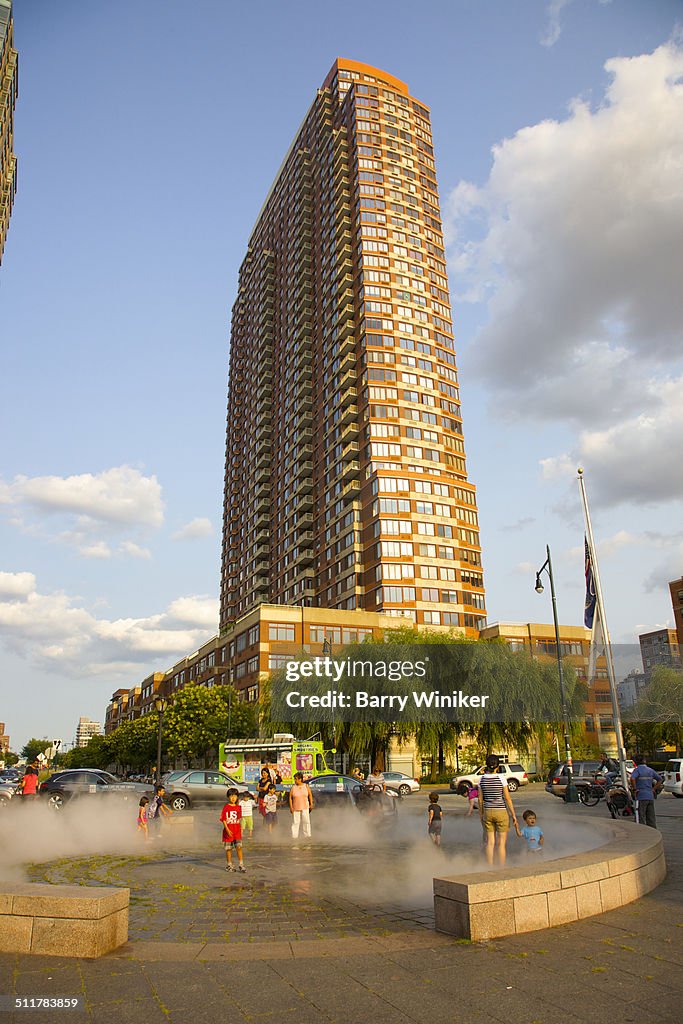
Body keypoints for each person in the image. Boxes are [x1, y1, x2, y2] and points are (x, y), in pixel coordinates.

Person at [478, 754, 521, 866]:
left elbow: (480, 799)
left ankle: (489, 866)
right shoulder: (501, 778)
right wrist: (513, 815)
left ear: (487, 766)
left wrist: (481, 814)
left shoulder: (481, 779)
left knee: (490, 842)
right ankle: (501, 867)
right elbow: (507, 798)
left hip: (487, 811)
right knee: (501, 843)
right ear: (498, 766)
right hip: (501, 811)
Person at [630, 754, 663, 828]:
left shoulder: (637, 770)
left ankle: (642, 833)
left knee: (640, 817)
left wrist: (635, 789)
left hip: (641, 796)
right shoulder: (650, 770)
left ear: (636, 762)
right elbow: (660, 779)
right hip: (650, 796)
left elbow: (632, 779)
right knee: (651, 817)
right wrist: (654, 788)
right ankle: (654, 832)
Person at [220, 788, 246, 872]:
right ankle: (229, 864)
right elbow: (223, 819)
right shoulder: (226, 807)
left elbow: (240, 819)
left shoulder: (238, 807)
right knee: (229, 849)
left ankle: (241, 864)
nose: (233, 798)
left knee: (239, 847)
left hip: (237, 831)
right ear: (228, 797)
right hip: (228, 832)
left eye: (235, 796)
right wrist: (227, 829)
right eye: (231, 796)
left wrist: (241, 828)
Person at [289, 771, 314, 840]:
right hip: (296, 807)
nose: (295, 780)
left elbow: (310, 795)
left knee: (306, 821)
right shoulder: (293, 787)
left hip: (305, 806)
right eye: (294, 779)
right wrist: (291, 807)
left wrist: (311, 804)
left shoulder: (306, 786)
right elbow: (290, 797)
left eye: (296, 779)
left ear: (300, 779)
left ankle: (307, 835)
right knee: (295, 822)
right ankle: (294, 836)